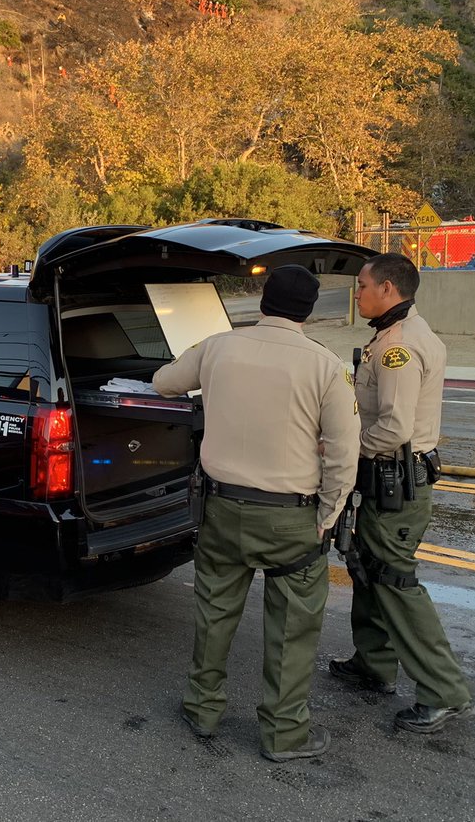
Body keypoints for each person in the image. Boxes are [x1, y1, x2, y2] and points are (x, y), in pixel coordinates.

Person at [153, 265, 359, 763]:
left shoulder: (218, 346)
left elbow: (163, 383)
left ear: (263, 300)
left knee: (214, 613)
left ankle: (201, 709)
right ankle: (283, 735)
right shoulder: (326, 366)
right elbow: (343, 453)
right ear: (309, 310)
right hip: (292, 518)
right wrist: (327, 516)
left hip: (221, 509)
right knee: (292, 628)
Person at [330, 253, 474, 733]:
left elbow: (392, 427)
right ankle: (373, 666)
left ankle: (445, 693)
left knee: (395, 581)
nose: (358, 293)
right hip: (388, 480)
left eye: (363, 286)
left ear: (388, 288)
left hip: (395, 481)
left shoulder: (400, 347)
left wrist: (346, 457)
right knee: (368, 569)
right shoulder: (394, 335)